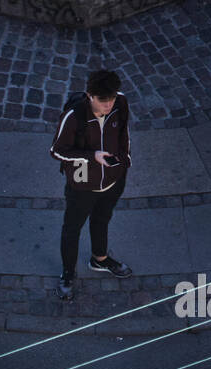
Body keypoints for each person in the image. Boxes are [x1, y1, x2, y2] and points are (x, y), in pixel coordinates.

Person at [50, 69, 134, 301]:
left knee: (102, 219)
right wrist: (91, 155)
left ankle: (100, 259)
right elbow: (57, 151)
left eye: (112, 99)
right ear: (90, 96)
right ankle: (68, 273)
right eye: (103, 100)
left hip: (113, 180)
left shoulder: (121, 102)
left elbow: (124, 133)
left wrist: (125, 161)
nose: (108, 105)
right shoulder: (74, 116)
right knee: (72, 229)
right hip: (82, 185)